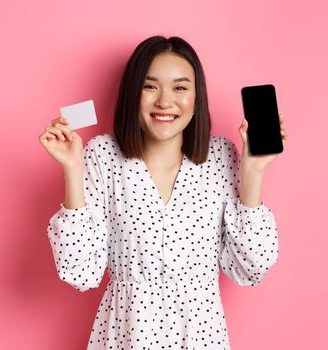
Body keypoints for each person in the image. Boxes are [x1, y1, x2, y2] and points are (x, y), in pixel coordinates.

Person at [38, 35, 288, 349]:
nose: (164, 101)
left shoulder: (222, 157)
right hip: (126, 336)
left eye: (180, 87)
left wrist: (254, 171)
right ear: (133, 94)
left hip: (200, 338)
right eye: (150, 86)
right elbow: (80, 271)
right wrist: (72, 169)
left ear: (197, 99)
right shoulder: (102, 155)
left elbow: (252, 266)